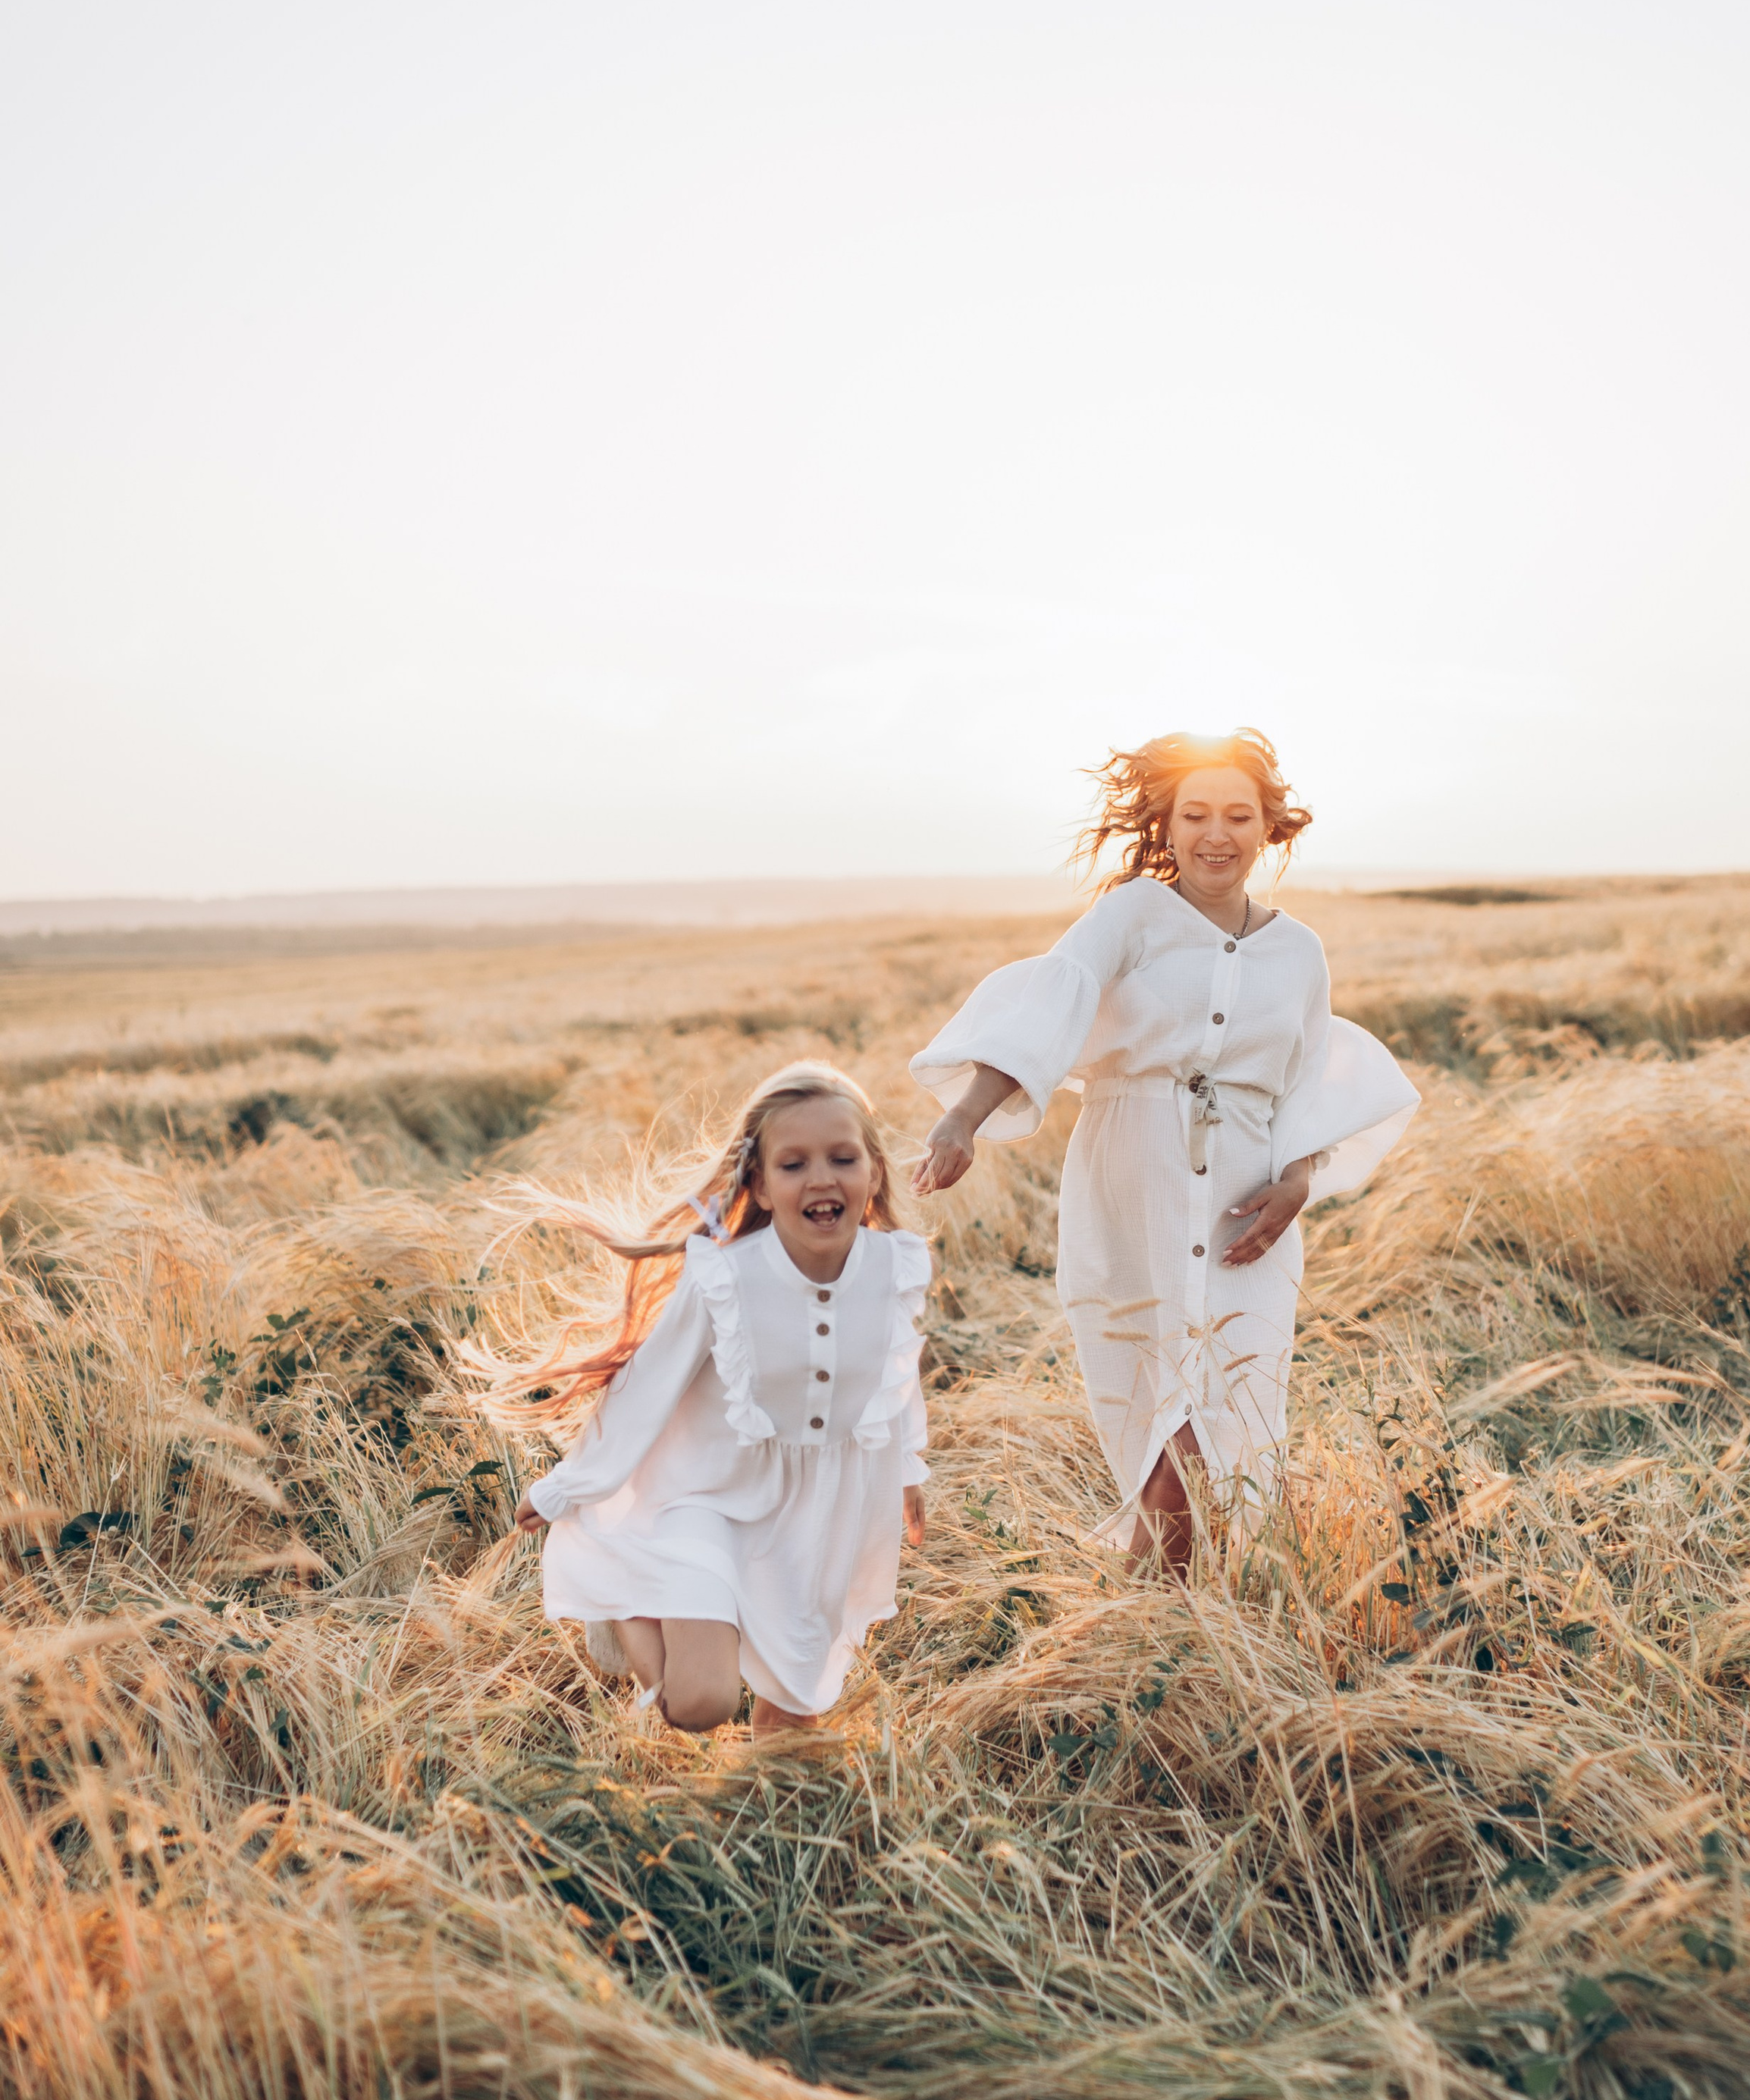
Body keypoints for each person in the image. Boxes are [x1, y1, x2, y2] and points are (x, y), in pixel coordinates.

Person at [909, 729, 1417, 1570]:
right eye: (1196, 815)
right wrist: (964, 1116)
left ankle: (1166, 1624)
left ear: (1268, 829)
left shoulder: (1299, 951)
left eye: (1237, 816)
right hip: (1130, 1177)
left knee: (1235, 1410)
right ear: (1167, 824)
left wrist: (1296, 1183)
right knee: (1161, 1423)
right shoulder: (1132, 915)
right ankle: (1159, 1626)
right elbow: (1053, 1003)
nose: (1216, 834)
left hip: (1245, 1204)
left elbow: (1304, 1079)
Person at [491, 1063, 929, 1737]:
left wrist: (908, 1473)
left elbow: (896, 1379)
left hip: (825, 1517)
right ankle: (629, 1606)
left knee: (795, 1708)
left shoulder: (894, 1266)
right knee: (699, 1705)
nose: (821, 1178)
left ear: (873, 1171)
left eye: (843, 1158)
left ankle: (781, 1817)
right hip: (707, 1502)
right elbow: (647, 1387)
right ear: (758, 1181)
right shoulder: (726, 1276)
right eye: (793, 1164)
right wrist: (565, 1488)